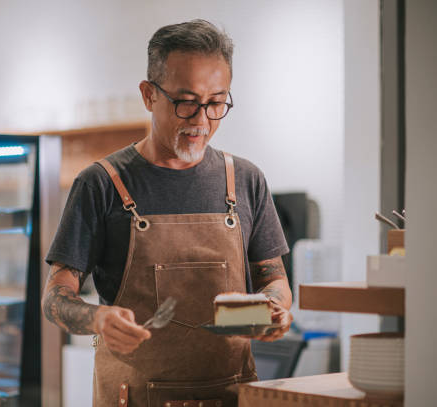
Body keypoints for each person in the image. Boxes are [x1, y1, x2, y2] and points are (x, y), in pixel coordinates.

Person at [42, 19, 293, 407]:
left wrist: (273, 310)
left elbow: (273, 279)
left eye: (216, 103)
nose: (201, 120)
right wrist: (96, 319)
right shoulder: (102, 184)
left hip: (230, 396)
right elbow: (55, 298)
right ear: (148, 94)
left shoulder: (245, 180)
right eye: (187, 101)